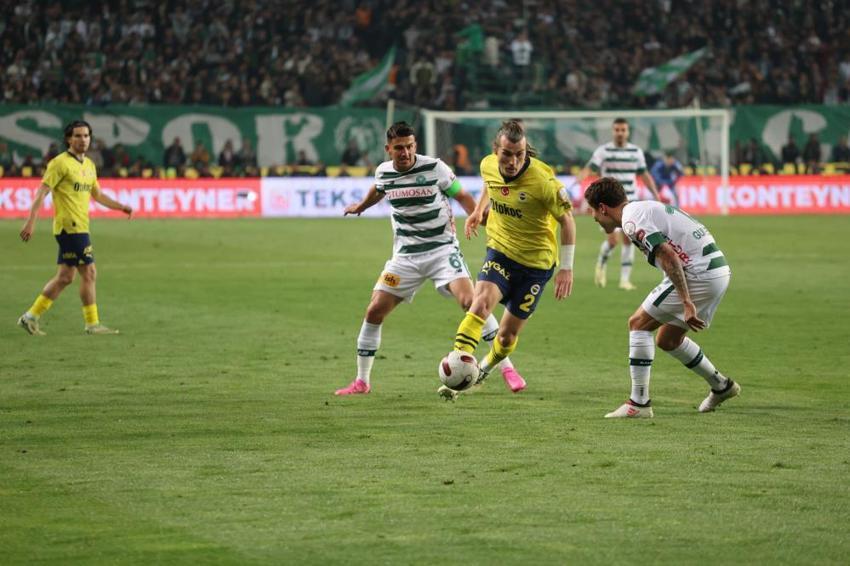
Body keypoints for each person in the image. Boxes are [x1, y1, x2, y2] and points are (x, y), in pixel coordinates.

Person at [334, 121, 525, 395]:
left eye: (410, 146)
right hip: (405, 257)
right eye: (399, 148)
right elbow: (378, 189)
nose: (405, 152)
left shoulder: (435, 167)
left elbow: (462, 195)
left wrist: (482, 221)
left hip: (442, 250)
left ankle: (507, 368)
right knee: (374, 309)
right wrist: (361, 207)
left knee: (472, 301)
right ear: (388, 149)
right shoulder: (384, 172)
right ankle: (362, 381)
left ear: (415, 146)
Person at [584, 177, 740, 418]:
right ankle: (722, 386)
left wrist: (686, 301)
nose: (593, 217)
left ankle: (639, 404)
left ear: (603, 208)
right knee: (668, 340)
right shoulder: (641, 208)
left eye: (593, 211)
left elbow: (669, 256)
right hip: (718, 271)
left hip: (699, 272)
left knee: (638, 323)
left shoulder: (631, 220)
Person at [443, 119, 575, 400]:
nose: (513, 161)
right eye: (507, 154)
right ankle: (460, 357)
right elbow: (489, 186)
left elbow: (568, 221)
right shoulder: (487, 164)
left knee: (505, 337)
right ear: (496, 150)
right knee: (480, 304)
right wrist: (479, 211)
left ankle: (484, 370)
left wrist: (566, 268)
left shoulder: (543, 181)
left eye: (520, 154)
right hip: (500, 251)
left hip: (535, 267)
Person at [17, 120, 133, 336]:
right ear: (69, 139)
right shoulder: (59, 163)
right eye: (78, 136)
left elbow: (97, 194)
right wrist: (31, 220)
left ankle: (30, 317)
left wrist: (121, 207)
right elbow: (42, 192)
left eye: (86, 136)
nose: (83, 140)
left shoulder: (88, 165)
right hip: (69, 227)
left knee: (65, 277)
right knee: (89, 272)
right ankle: (92, 324)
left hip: (81, 226)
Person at [576, 118, 659, 291]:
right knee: (613, 241)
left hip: (630, 202)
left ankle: (624, 280)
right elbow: (590, 168)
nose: (620, 133)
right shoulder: (603, 151)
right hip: (607, 203)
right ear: (613, 131)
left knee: (630, 239)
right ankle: (601, 263)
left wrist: (656, 194)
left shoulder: (636, 152)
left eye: (623, 130)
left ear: (627, 132)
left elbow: (644, 174)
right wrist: (577, 180)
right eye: (617, 130)